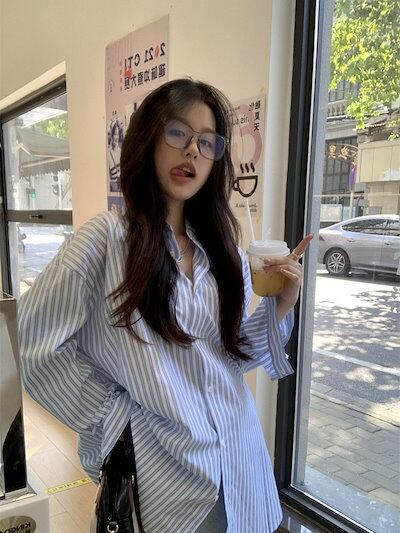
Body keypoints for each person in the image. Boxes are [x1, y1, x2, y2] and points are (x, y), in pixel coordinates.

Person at [18, 78, 312, 532]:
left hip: (243, 463)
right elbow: (33, 343)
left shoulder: (225, 252)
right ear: (148, 139)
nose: (192, 150)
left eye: (207, 142)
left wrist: (282, 305)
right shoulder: (106, 241)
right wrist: (113, 417)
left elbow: (232, 356)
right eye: (178, 133)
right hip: (167, 478)